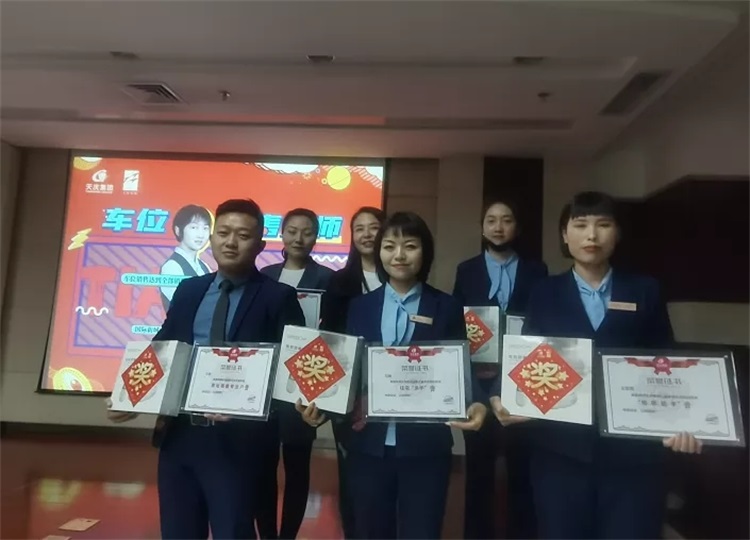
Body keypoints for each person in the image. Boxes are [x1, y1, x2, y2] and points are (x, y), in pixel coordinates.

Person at [491, 191, 702, 539]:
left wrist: (683, 421)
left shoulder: (645, 290)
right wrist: (505, 397)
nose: (591, 235)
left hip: (633, 458)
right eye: (580, 225)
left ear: (617, 233)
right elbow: (528, 361)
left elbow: (666, 362)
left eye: (603, 225)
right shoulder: (544, 292)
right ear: (564, 235)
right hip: (560, 455)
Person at [107, 199, 305, 540]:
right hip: (181, 437)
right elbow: (162, 346)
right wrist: (128, 396)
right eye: (223, 233)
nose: (231, 242)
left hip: (240, 444)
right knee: (178, 532)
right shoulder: (189, 290)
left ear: (260, 246)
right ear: (212, 239)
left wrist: (250, 403)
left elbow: (293, 371)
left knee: (234, 532)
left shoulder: (278, 297)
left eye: (243, 235)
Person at [300, 211, 488, 539]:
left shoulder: (446, 307)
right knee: (370, 530)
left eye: (410, 246)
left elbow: (461, 368)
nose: (399, 255)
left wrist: (477, 402)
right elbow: (346, 370)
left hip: (425, 446)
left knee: (422, 531)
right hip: (367, 444)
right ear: (379, 252)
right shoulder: (359, 307)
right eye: (389, 246)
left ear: (425, 252)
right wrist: (321, 406)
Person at [452, 199, 547, 539]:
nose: (498, 227)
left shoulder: (537, 271)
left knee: (523, 467)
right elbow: (457, 325)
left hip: (523, 378)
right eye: (491, 220)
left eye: (506, 220)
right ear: (482, 227)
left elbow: (543, 324)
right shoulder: (467, 269)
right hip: (479, 378)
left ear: (516, 228)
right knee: (478, 467)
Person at [257, 208, 335, 540]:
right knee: (262, 468)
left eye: (307, 232)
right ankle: (267, 534)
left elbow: (334, 334)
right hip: (263, 382)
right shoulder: (264, 275)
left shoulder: (328, 279)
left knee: (297, 467)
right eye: (291, 231)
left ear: (316, 237)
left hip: (303, 383)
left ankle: (288, 535)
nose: (298, 238)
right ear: (282, 234)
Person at [318, 206, 385, 539]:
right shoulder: (340, 282)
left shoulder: (400, 276)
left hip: (390, 387)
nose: (367, 234)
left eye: (374, 227)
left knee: (385, 470)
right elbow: (330, 337)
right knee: (352, 471)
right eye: (360, 228)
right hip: (349, 389)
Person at [160, 204, 212, 311]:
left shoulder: (204, 266)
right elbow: (182, 306)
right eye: (194, 227)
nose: (200, 235)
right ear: (178, 230)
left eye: (205, 228)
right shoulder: (172, 266)